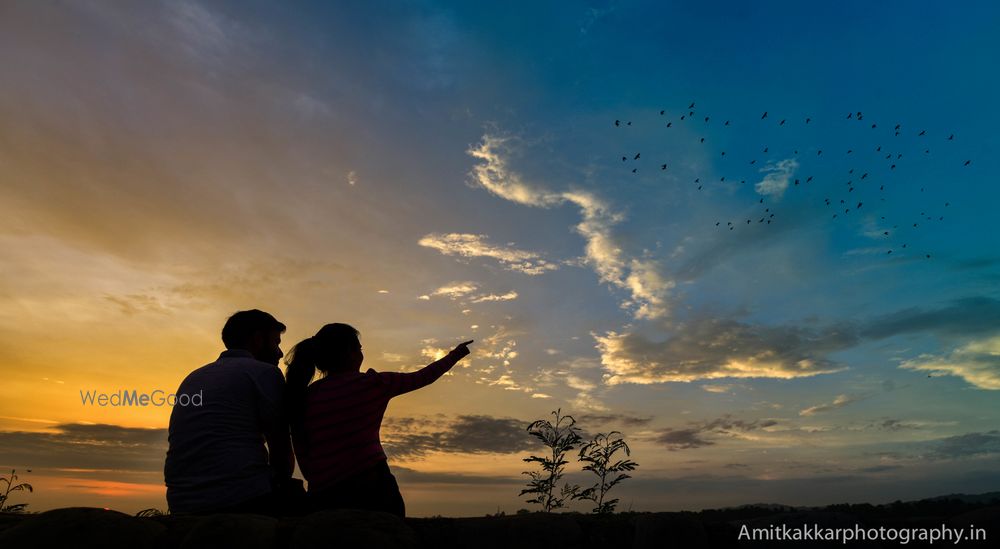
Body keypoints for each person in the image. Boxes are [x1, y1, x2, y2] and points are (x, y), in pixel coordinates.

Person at [284, 323, 472, 517]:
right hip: (372, 486)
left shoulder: (304, 397)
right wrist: (456, 355)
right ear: (350, 353)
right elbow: (422, 377)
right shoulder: (374, 384)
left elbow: (301, 446)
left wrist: (317, 478)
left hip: (323, 494)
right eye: (359, 348)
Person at [164, 309, 298, 515]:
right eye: (276, 343)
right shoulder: (264, 372)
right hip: (239, 498)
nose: (280, 353)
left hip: (180, 502)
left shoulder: (193, 377)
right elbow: (281, 452)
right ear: (257, 339)